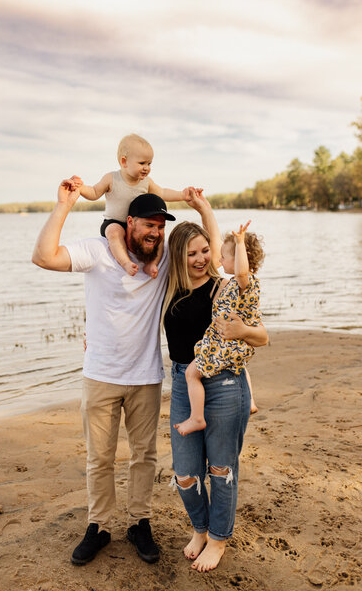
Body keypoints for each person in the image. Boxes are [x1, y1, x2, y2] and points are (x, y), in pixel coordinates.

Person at [31, 178, 214, 567]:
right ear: (128, 223)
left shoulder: (164, 259)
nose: (156, 232)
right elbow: (44, 257)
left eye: (161, 226)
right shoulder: (98, 251)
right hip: (99, 374)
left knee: (144, 456)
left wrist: (203, 210)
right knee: (100, 457)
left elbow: (210, 258)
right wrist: (64, 205)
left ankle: (139, 523)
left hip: (146, 376)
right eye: (149, 224)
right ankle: (98, 526)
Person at [162, 215, 268, 573]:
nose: (200, 259)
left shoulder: (224, 288)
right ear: (178, 256)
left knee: (221, 469)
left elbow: (263, 336)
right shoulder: (167, 287)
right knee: (186, 473)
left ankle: (218, 539)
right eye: (191, 253)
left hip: (223, 384)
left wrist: (241, 330)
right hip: (183, 381)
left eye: (205, 250)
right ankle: (200, 528)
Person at [174, 221, 264, 436]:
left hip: (223, 343)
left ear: (241, 260)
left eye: (224, 256)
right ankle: (250, 399)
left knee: (191, 373)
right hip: (229, 343)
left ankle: (196, 417)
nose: (219, 260)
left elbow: (242, 271)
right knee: (239, 366)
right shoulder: (235, 284)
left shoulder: (244, 281)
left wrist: (240, 242)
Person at [73, 133, 198, 278]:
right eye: (142, 163)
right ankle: (125, 262)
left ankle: (152, 264)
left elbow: (162, 193)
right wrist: (80, 188)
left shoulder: (146, 182)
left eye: (149, 163)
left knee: (158, 237)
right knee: (114, 233)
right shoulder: (112, 178)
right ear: (124, 161)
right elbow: (94, 192)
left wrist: (182, 195)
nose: (146, 168)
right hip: (115, 222)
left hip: (137, 225)